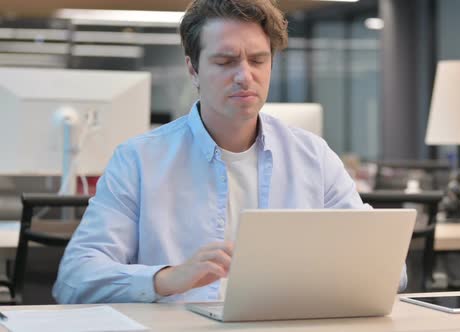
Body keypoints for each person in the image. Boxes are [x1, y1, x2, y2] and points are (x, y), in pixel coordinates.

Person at [53, 0, 407, 304]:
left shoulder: (312, 155)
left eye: (258, 60)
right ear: (193, 69)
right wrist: (167, 278)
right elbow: (75, 278)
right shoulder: (139, 159)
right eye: (225, 62)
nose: (244, 76)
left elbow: (388, 269)